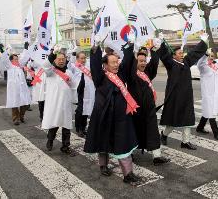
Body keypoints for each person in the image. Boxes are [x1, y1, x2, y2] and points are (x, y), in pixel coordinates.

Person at [84, 36, 141, 184]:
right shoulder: (100, 77)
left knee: (123, 144)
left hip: (121, 117)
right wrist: (95, 48)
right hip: (104, 116)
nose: (116, 65)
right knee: (103, 142)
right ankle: (103, 165)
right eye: (113, 63)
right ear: (106, 66)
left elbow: (128, 61)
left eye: (117, 62)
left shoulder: (120, 75)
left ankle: (128, 174)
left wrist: (129, 46)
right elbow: (95, 65)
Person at [159, 33, 208, 150]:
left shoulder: (186, 61)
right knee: (172, 122)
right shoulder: (170, 64)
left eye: (182, 53)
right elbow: (164, 56)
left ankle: (185, 142)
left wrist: (203, 42)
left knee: (188, 120)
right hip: (175, 98)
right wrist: (162, 43)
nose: (182, 55)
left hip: (186, 97)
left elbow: (195, 53)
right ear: (174, 56)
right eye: (179, 53)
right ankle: (164, 135)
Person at [127, 39, 170, 165]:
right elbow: (128, 62)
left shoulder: (147, 72)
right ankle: (131, 154)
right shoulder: (131, 75)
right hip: (135, 110)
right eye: (140, 61)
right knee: (134, 131)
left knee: (153, 131)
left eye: (144, 61)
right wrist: (131, 48)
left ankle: (157, 156)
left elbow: (154, 63)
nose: (143, 63)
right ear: (135, 62)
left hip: (149, 109)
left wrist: (154, 49)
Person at [41, 48, 77, 156]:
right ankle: (50, 140)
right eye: (59, 59)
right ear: (55, 61)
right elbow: (46, 66)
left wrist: (75, 101)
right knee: (54, 124)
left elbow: (73, 86)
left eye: (63, 59)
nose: (61, 61)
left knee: (67, 126)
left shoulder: (69, 72)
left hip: (66, 104)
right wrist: (52, 54)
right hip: (55, 103)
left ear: (66, 60)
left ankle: (65, 147)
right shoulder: (50, 71)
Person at [0, 44, 31, 125]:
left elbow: (25, 57)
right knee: (15, 104)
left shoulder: (20, 65)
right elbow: (5, 59)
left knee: (24, 103)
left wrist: (26, 49)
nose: (17, 60)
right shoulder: (10, 66)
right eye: (15, 59)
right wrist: (3, 51)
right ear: (11, 61)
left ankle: (21, 116)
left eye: (17, 59)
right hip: (14, 89)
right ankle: (15, 119)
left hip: (22, 88)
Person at [68, 51, 96, 138]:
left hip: (88, 90)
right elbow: (68, 66)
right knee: (80, 109)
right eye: (81, 58)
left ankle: (83, 128)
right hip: (79, 90)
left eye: (84, 58)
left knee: (86, 109)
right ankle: (78, 128)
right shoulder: (74, 66)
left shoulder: (88, 66)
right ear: (77, 59)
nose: (83, 60)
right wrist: (72, 56)